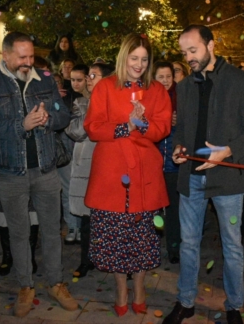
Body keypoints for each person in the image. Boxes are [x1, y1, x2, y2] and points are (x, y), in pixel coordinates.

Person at [163, 25, 244, 324]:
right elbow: (182, 129)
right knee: (188, 242)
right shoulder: (184, 86)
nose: (188, 58)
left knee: (232, 244)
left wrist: (228, 151)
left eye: (193, 50)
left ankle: (234, 306)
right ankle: (186, 301)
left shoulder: (242, 81)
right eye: (184, 53)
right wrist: (179, 148)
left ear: (211, 44)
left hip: (229, 178)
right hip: (191, 175)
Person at [0, 32, 77, 318]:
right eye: (22, 57)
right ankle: (25, 285)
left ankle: (55, 282)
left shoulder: (43, 78)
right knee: (19, 233)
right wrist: (22, 124)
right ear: (5, 55)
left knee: (52, 231)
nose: (28, 62)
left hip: (45, 168)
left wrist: (48, 119)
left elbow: (63, 115)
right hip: (9, 172)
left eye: (31, 56)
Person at [83, 33, 171, 317]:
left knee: (143, 237)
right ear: (124, 57)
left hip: (145, 172)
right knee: (115, 236)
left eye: (145, 59)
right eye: (134, 58)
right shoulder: (105, 87)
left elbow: (162, 128)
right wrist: (125, 127)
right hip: (112, 172)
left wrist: (142, 124)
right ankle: (121, 289)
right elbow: (93, 127)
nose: (140, 64)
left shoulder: (157, 90)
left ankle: (141, 287)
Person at [65, 62, 114, 279]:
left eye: (95, 75)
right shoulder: (81, 102)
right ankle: (86, 260)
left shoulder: (117, 103)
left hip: (109, 162)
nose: (89, 79)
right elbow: (76, 132)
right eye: (89, 75)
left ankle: (109, 257)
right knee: (87, 216)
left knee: (109, 215)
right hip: (86, 163)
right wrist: (93, 107)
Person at [154, 60, 181, 264]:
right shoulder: (147, 96)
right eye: (160, 77)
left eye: (168, 77)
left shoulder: (181, 97)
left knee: (173, 208)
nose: (165, 81)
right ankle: (152, 247)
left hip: (173, 163)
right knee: (153, 209)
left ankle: (173, 248)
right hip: (151, 162)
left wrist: (179, 121)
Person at [59, 64, 89, 245]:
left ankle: (82, 226)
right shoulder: (65, 97)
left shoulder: (91, 98)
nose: (75, 84)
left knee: (82, 191)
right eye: (72, 80)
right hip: (67, 148)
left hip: (84, 150)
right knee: (67, 190)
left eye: (80, 80)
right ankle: (72, 226)